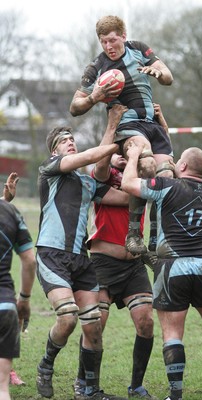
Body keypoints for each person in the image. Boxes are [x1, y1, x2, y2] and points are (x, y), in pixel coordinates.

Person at [121, 145, 202, 400]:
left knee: (173, 333)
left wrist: (132, 157)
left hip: (172, 268)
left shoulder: (168, 186)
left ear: (182, 167)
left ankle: (175, 394)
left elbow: (129, 184)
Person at [35, 106, 129, 399]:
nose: (70, 141)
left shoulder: (88, 181)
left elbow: (125, 197)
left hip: (80, 260)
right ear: (55, 150)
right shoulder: (50, 169)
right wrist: (114, 135)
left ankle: (89, 390)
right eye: (64, 140)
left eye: (71, 137)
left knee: (94, 327)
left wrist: (146, 170)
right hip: (51, 254)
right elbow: (90, 157)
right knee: (68, 318)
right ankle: (45, 365)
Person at [70, 15, 174, 255]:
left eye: (113, 40)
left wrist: (158, 73)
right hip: (128, 127)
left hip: (153, 124)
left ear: (123, 37)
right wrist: (94, 97)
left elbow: (168, 76)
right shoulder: (96, 68)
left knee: (167, 176)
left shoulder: (138, 49)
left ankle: (156, 237)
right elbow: (74, 107)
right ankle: (134, 233)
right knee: (147, 164)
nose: (109, 46)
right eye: (103, 42)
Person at [73, 143, 156, 400]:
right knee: (95, 325)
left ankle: (136, 386)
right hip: (102, 263)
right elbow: (99, 165)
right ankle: (83, 383)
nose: (123, 156)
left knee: (146, 323)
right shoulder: (103, 176)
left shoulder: (141, 179)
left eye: (127, 152)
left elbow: (157, 162)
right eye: (117, 152)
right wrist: (114, 154)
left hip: (133, 264)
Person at [0, 173, 36, 400]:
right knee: (2, 391)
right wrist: (24, 297)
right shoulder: (10, 212)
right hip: (5, 304)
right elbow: (30, 260)